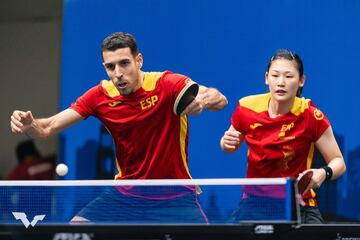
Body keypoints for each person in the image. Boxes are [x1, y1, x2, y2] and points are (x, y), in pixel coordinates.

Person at [10, 32, 228, 223]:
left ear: (139, 60)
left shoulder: (166, 84)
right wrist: (30, 125)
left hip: (174, 196)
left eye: (124, 63)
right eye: (110, 67)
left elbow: (219, 99)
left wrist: (203, 101)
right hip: (126, 195)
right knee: (77, 229)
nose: (118, 73)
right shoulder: (100, 96)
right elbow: (47, 128)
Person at [220, 49, 346, 224]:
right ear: (266, 78)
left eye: (288, 76)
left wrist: (323, 173)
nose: (281, 83)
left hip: (298, 203)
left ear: (301, 81)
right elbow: (229, 147)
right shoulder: (246, 107)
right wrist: (225, 143)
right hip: (254, 203)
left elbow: (338, 162)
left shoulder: (311, 116)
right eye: (275, 75)